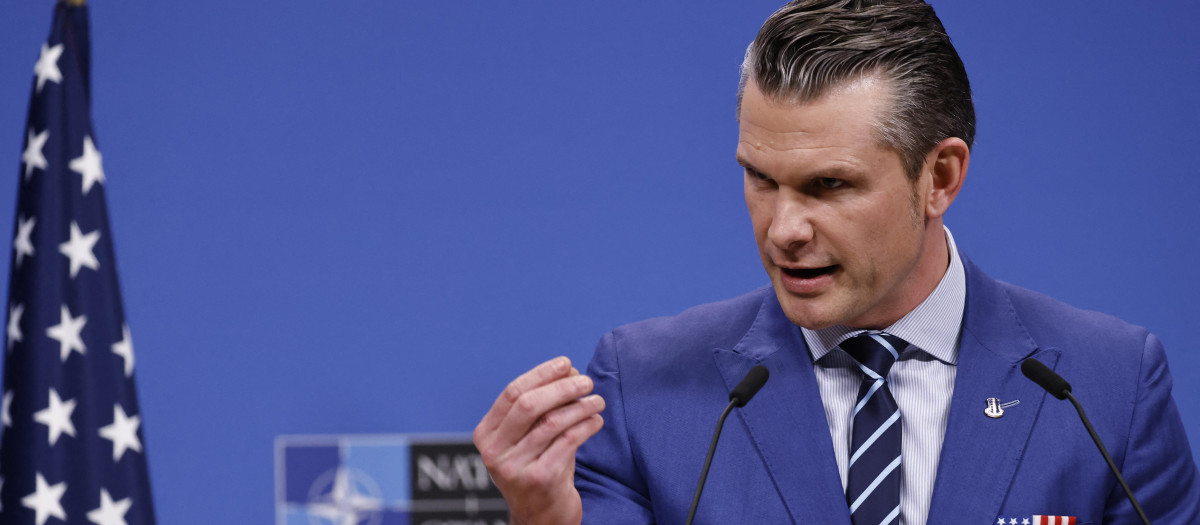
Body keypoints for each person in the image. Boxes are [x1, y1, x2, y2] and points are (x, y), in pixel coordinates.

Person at [472, 1, 1200, 524]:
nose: (784, 229)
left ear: (939, 178)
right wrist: (544, 515)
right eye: (761, 178)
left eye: (830, 185)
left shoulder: (1105, 386)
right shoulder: (645, 387)